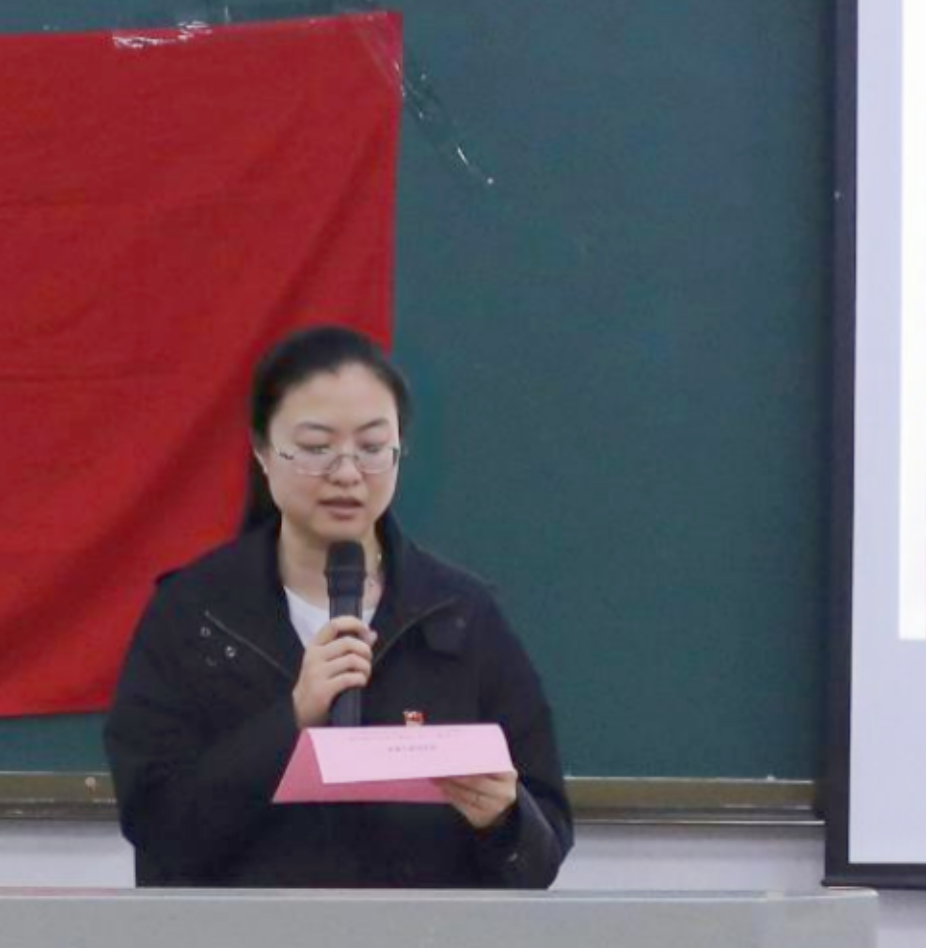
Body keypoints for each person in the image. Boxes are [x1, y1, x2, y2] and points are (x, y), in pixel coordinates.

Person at [103, 325, 573, 887]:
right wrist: (293, 718)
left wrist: (504, 818)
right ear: (262, 451)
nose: (347, 474)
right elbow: (158, 826)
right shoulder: (195, 615)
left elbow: (543, 850)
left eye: (372, 448)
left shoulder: (460, 613)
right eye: (316, 448)